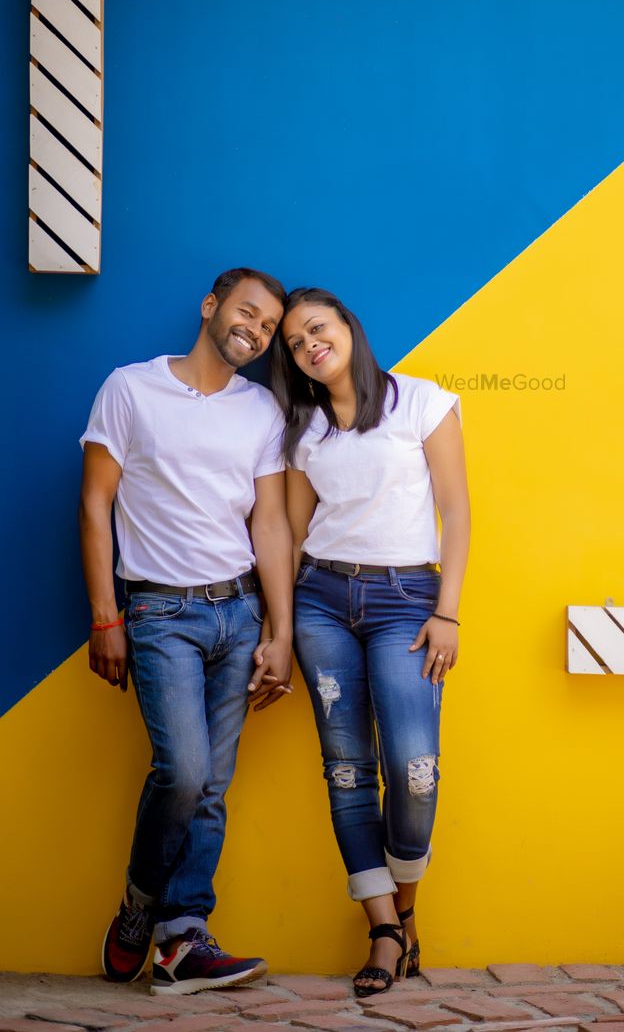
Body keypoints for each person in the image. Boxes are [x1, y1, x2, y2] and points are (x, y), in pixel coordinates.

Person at [80, 268, 294, 996]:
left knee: (213, 788)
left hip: (238, 616)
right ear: (211, 307)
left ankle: (182, 937)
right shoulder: (130, 389)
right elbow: (94, 504)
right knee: (185, 773)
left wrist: (280, 629)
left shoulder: (261, 409)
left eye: (268, 327)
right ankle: (142, 903)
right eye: (247, 313)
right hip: (159, 614)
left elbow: (268, 524)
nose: (256, 331)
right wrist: (105, 616)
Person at [271, 288, 470, 998]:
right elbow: (294, 535)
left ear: (348, 327)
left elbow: (456, 509)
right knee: (349, 770)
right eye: (293, 343)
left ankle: (405, 908)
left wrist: (447, 613)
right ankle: (384, 932)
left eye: (316, 329)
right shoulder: (302, 427)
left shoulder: (422, 401)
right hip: (322, 601)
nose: (308, 346)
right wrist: (280, 628)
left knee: (415, 769)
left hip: (407, 601)